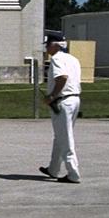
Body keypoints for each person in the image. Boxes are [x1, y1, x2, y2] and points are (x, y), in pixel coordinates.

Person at [39, 29, 82, 183]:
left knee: (65, 137)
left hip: (62, 101)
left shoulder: (57, 59)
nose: (46, 48)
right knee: (60, 136)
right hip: (74, 99)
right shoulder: (73, 59)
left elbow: (62, 78)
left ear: (55, 45)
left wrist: (51, 96)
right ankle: (53, 168)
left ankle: (73, 173)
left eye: (48, 45)